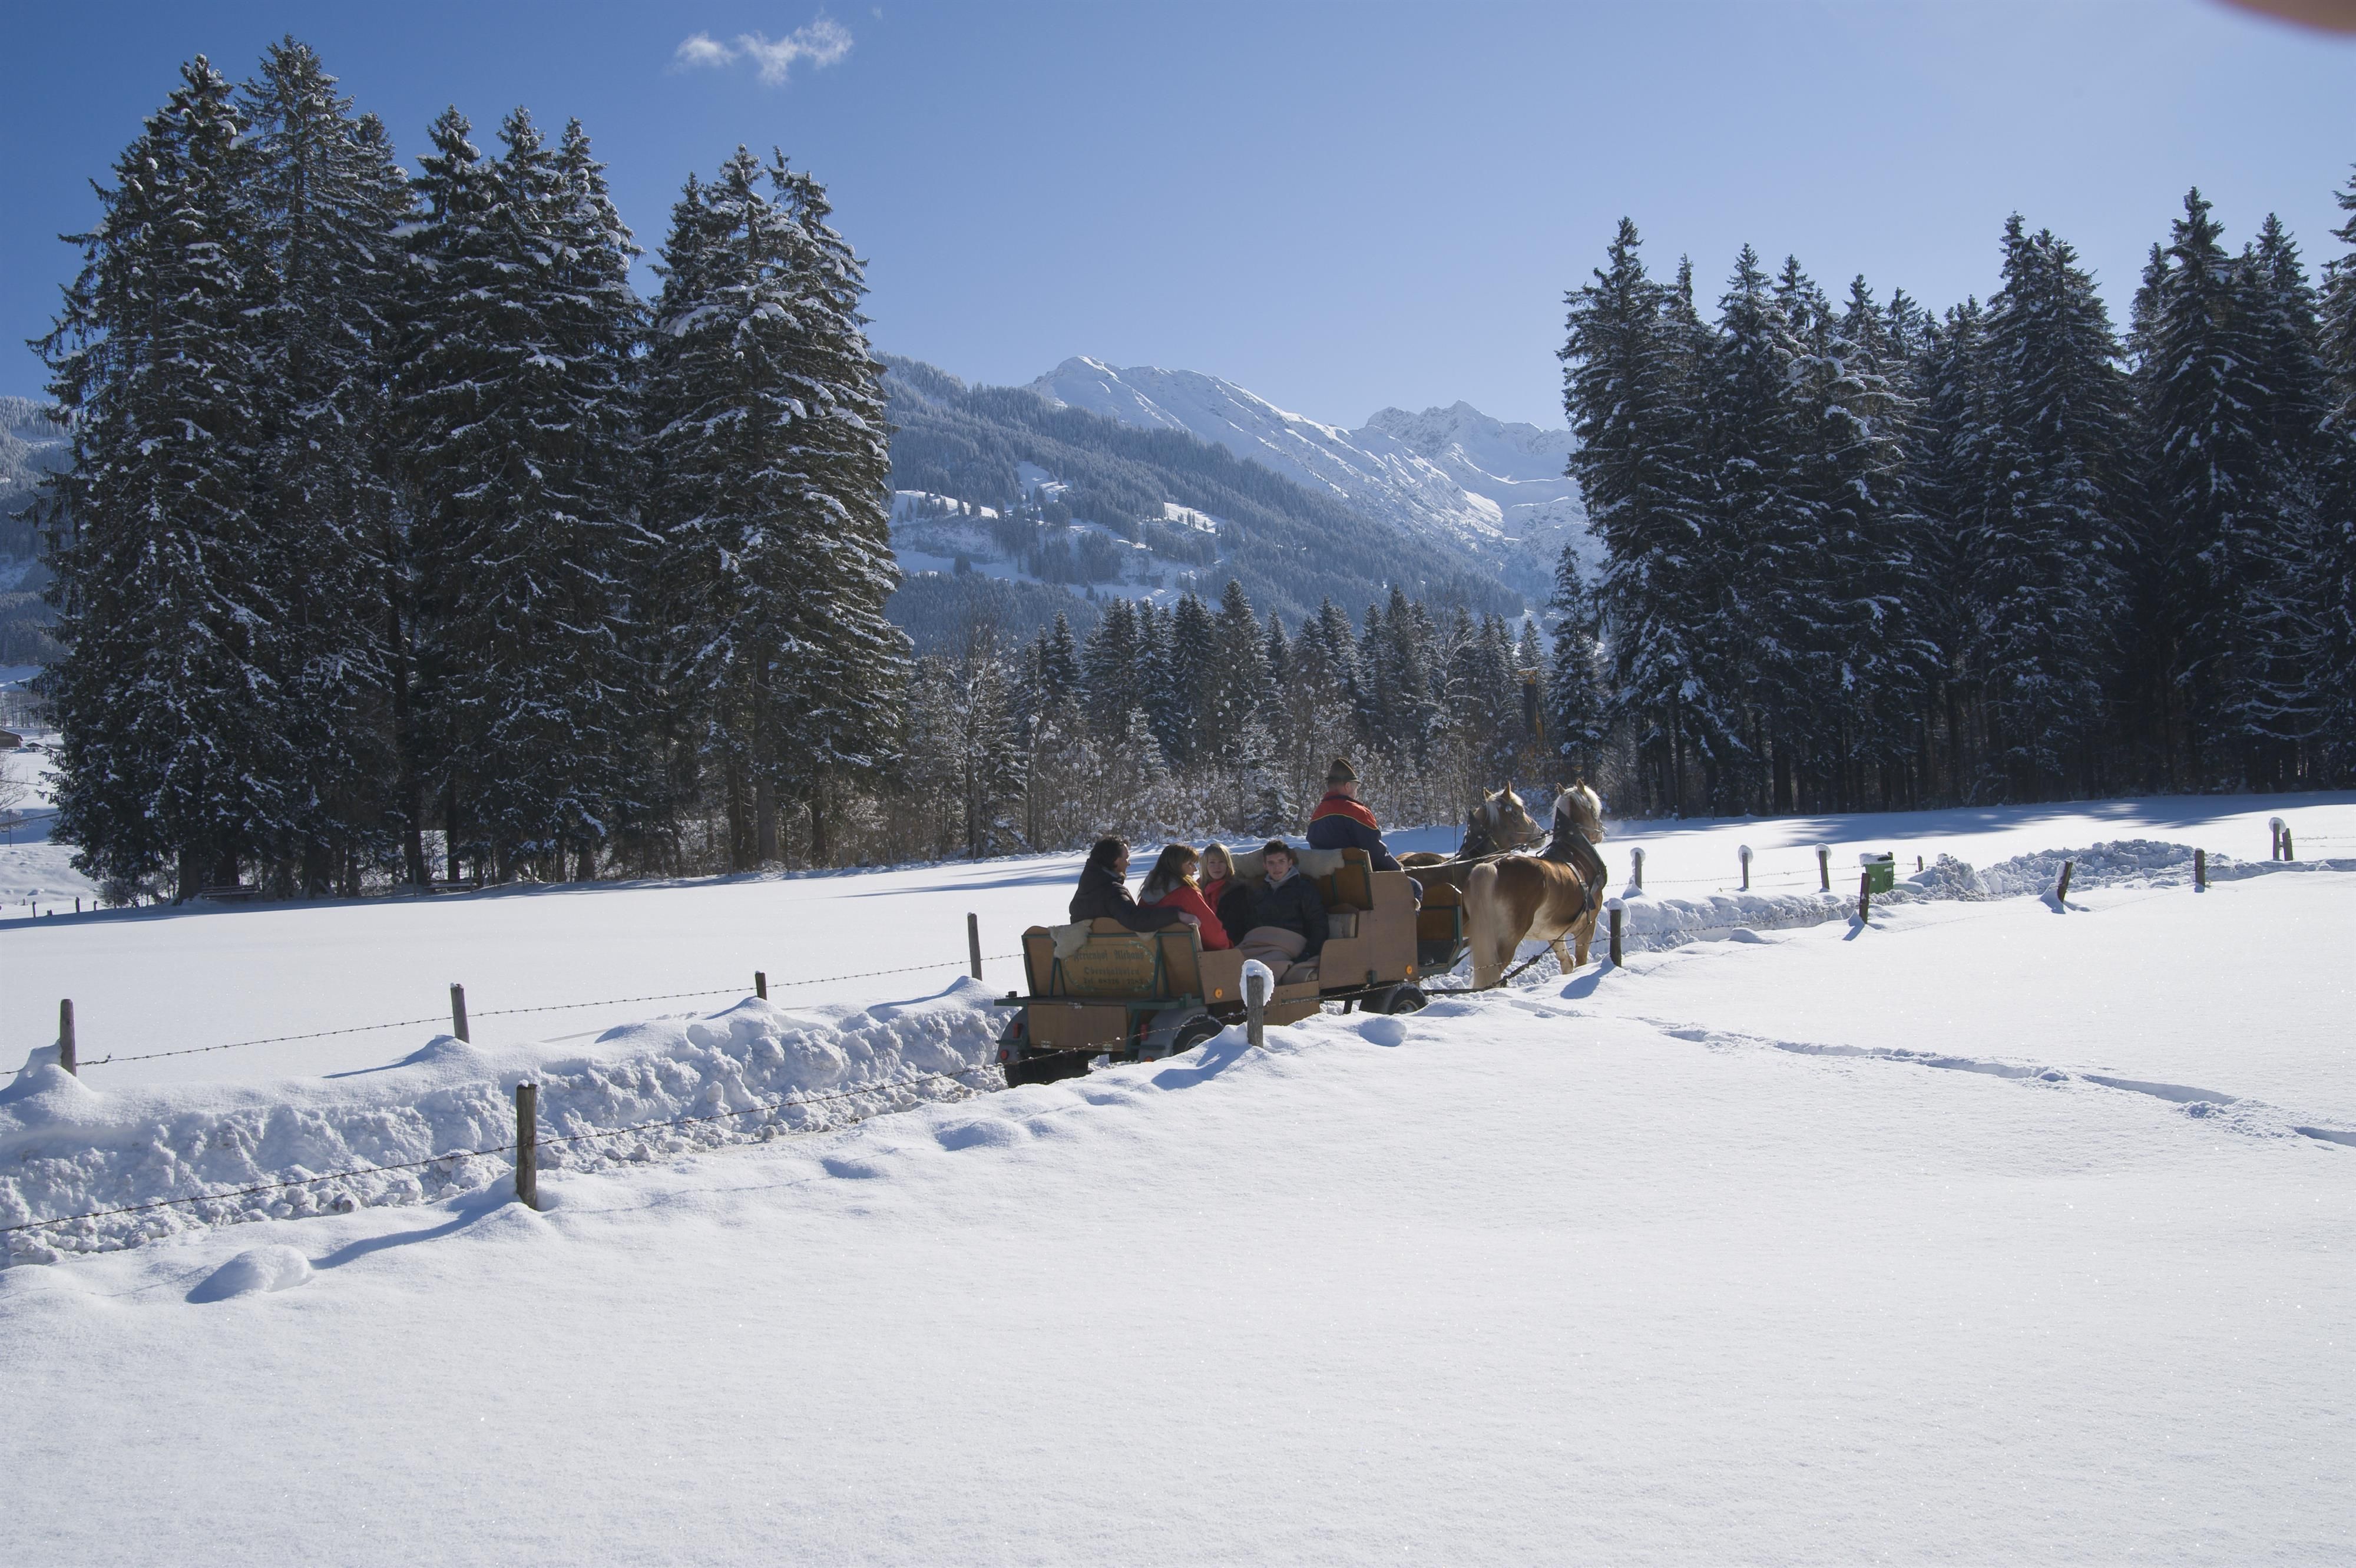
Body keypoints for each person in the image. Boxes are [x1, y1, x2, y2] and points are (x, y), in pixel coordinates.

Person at [1070, 836, 1199, 935]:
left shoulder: (1087, 887)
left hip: (1094, 959)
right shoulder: (1112, 891)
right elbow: (1135, 919)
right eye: (1127, 858)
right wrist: (1177, 915)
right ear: (1116, 861)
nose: (1129, 863)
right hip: (1119, 959)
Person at [1236, 839, 1326, 975]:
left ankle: (1256, 993)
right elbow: (1249, 923)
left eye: (1281, 862)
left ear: (1290, 863)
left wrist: (1308, 952)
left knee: (1258, 969)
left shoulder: (1304, 889)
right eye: (1271, 863)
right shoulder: (1260, 891)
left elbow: (1318, 923)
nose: (1276, 868)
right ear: (1265, 865)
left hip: (1288, 944)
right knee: (1231, 962)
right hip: (1258, 943)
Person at [1306, 758, 1404, 871]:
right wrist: (1399, 870)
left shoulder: (1316, 817)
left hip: (1327, 884)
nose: (1356, 792)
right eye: (1356, 788)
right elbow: (1376, 854)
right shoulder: (1357, 813)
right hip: (1360, 883)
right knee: (1415, 885)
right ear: (1348, 786)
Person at [1136, 843, 1233, 950]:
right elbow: (1215, 936)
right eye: (1190, 864)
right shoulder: (1187, 895)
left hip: (1152, 956)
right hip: (1189, 958)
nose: (1195, 870)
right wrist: (1229, 946)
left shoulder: (1146, 896)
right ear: (1176, 866)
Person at [1197, 842, 1255, 947]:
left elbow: (1236, 925)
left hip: (1229, 943)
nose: (1217, 867)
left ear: (1228, 864)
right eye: (1212, 863)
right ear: (1205, 865)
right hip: (1201, 941)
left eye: (1221, 862)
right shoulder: (1197, 889)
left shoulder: (1237, 890)